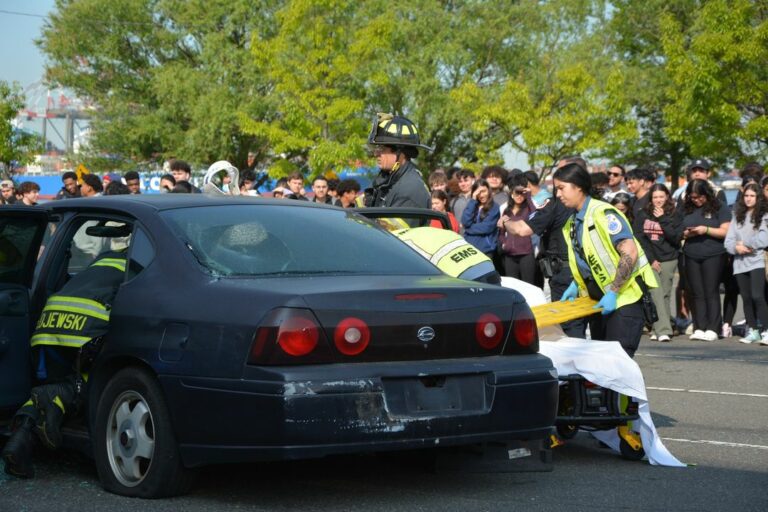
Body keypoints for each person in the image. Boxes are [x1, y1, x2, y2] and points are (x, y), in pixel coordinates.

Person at [2, 248, 128, 478]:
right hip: (83, 328)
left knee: (60, 382)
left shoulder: (107, 257)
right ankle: (55, 402)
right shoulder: (142, 262)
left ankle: (19, 441)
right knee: (82, 385)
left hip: (50, 322)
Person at [555, 162, 657, 357]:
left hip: (623, 300)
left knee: (618, 365)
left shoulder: (602, 213)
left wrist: (613, 292)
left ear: (579, 186)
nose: (558, 194)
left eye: (562, 188)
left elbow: (630, 252)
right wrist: (577, 284)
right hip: (599, 302)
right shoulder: (572, 222)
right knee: (602, 366)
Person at [681, 179, 731, 341]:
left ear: (707, 194)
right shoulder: (685, 207)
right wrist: (686, 234)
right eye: (693, 197)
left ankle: (713, 327)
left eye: (699, 197)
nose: (696, 200)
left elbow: (726, 231)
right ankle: (699, 326)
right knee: (696, 292)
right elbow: (677, 229)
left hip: (713, 254)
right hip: (691, 253)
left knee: (711, 290)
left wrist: (706, 230)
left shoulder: (720, 206)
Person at [633, 184, 682, 342]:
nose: (658, 200)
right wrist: (651, 259)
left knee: (665, 294)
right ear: (650, 198)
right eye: (655, 197)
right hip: (651, 259)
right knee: (656, 293)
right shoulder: (643, 214)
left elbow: (675, 238)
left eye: (661, 196)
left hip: (669, 258)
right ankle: (664, 330)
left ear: (667, 196)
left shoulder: (674, 214)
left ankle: (657, 327)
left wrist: (662, 219)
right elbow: (639, 238)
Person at [724, 183, 768, 344]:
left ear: (758, 197)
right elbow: (728, 242)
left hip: (757, 261)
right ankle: (753, 331)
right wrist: (737, 247)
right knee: (746, 298)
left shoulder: (764, 216)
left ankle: (766, 330)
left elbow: (764, 239)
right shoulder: (737, 216)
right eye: (746, 196)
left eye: (752, 196)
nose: (749, 199)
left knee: (758, 296)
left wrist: (745, 243)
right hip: (739, 263)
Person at [366, 113, 431, 209]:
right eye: (376, 148)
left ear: (400, 152)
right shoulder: (389, 180)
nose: (376, 154)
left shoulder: (410, 190)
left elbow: (389, 220)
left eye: (382, 149)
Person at [498, 175, 536, 283]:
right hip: (510, 255)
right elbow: (501, 233)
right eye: (516, 193)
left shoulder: (528, 208)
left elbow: (535, 216)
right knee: (513, 286)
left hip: (526, 254)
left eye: (522, 193)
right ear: (511, 193)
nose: (519, 196)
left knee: (529, 286)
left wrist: (528, 196)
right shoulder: (506, 211)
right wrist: (504, 244)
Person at [461, 179, 500, 258]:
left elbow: (486, 228)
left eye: (483, 191)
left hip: (485, 250)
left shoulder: (494, 207)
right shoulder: (472, 205)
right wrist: (473, 200)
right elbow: (465, 221)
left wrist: (468, 228)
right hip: (469, 249)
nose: (481, 195)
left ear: (488, 191)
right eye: (478, 193)